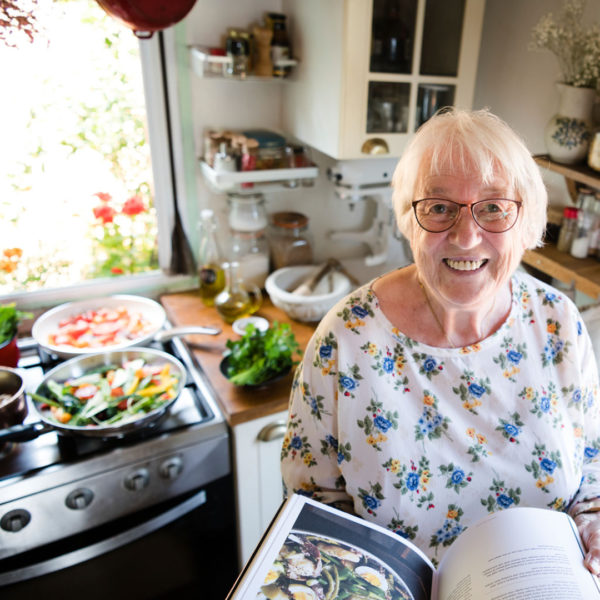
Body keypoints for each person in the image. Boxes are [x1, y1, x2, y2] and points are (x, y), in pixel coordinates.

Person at [281, 108, 600, 572]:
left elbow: (592, 471)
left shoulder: (557, 322)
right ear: (410, 219)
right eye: (438, 207)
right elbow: (311, 517)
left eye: (493, 207)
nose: (467, 237)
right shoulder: (345, 339)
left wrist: (593, 521)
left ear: (525, 219)